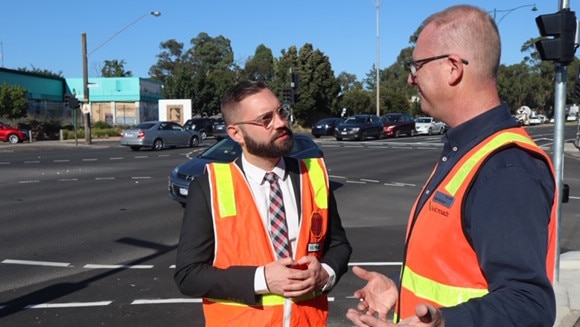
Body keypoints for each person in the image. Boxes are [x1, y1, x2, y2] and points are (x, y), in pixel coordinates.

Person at [347, 5, 557, 327]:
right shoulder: (467, 149)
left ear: (453, 68)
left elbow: (529, 304)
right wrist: (397, 286)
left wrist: (445, 322)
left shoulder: (505, 167)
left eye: (417, 66)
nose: (410, 78)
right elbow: (451, 266)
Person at [174, 80, 352, 326]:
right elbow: (188, 275)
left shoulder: (314, 176)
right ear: (236, 133)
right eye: (265, 119)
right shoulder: (209, 187)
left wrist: (326, 272)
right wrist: (262, 279)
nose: (280, 123)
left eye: (281, 112)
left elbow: (339, 245)